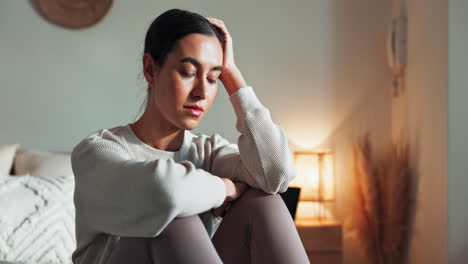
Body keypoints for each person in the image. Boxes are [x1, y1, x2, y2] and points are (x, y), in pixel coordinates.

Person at [70, 8, 309, 264]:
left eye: (213, 78)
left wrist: (233, 76)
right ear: (150, 69)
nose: (202, 92)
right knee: (172, 219)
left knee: (264, 202)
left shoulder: (207, 152)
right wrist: (226, 187)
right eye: (188, 72)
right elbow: (164, 194)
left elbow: (277, 176)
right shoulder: (98, 152)